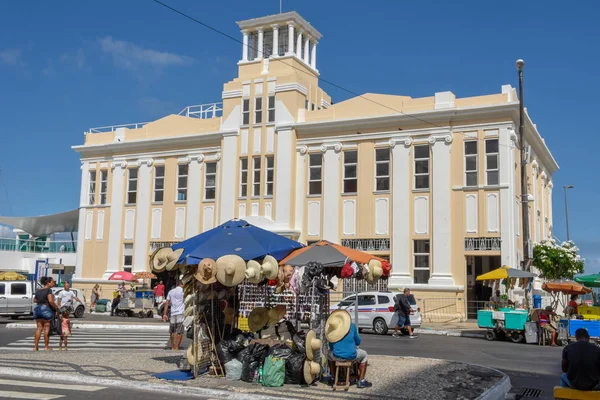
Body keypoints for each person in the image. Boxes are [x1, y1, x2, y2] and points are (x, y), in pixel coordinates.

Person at [327, 311, 372, 389]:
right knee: (364, 355)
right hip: (351, 356)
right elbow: (358, 342)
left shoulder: (332, 331)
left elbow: (331, 347)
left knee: (328, 354)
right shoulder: (352, 326)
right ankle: (361, 381)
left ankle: (333, 377)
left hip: (336, 356)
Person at [33, 276, 57, 351]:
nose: (53, 283)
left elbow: (35, 300)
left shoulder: (38, 291)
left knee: (39, 328)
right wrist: (56, 308)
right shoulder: (49, 290)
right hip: (46, 309)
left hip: (37, 309)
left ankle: (35, 346)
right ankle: (46, 346)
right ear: (48, 283)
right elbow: (50, 301)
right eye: (52, 282)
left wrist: (41, 302)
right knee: (46, 328)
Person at [163, 280, 184, 350]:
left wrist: (164, 314)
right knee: (179, 332)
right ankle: (177, 346)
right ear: (182, 284)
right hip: (180, 313)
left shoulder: (171, 292)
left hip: (172, 313)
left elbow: (167, 303)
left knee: (172, 331)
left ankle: (172, 346)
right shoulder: (183, 292)